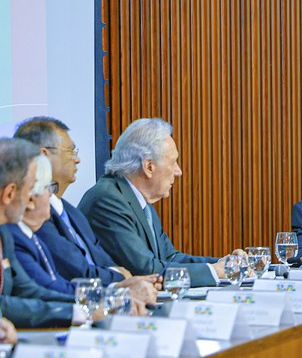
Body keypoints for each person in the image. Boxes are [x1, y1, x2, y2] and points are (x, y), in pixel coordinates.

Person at [14, 117, 159, 302]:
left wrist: (124, 281)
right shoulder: (34, 216)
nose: (77, 159)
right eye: (70, 151)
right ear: (44, 155)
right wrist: (120, 283)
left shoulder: (72, 213)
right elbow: (78, 271)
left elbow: (105, 262)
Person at [78, 118, 235, 287]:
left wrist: (221, 264)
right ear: (149, 167)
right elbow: (145, 269)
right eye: (173, 162)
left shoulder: (137, 199)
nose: (178, 171)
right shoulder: (108, 200)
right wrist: (213, 271)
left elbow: (169, 258)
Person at [0, 138, 76, 330]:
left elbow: (25, 289)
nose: (31, 198)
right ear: (9, 194)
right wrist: (75, 312)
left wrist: (86, 306)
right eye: (30, 188)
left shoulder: (4, 235)